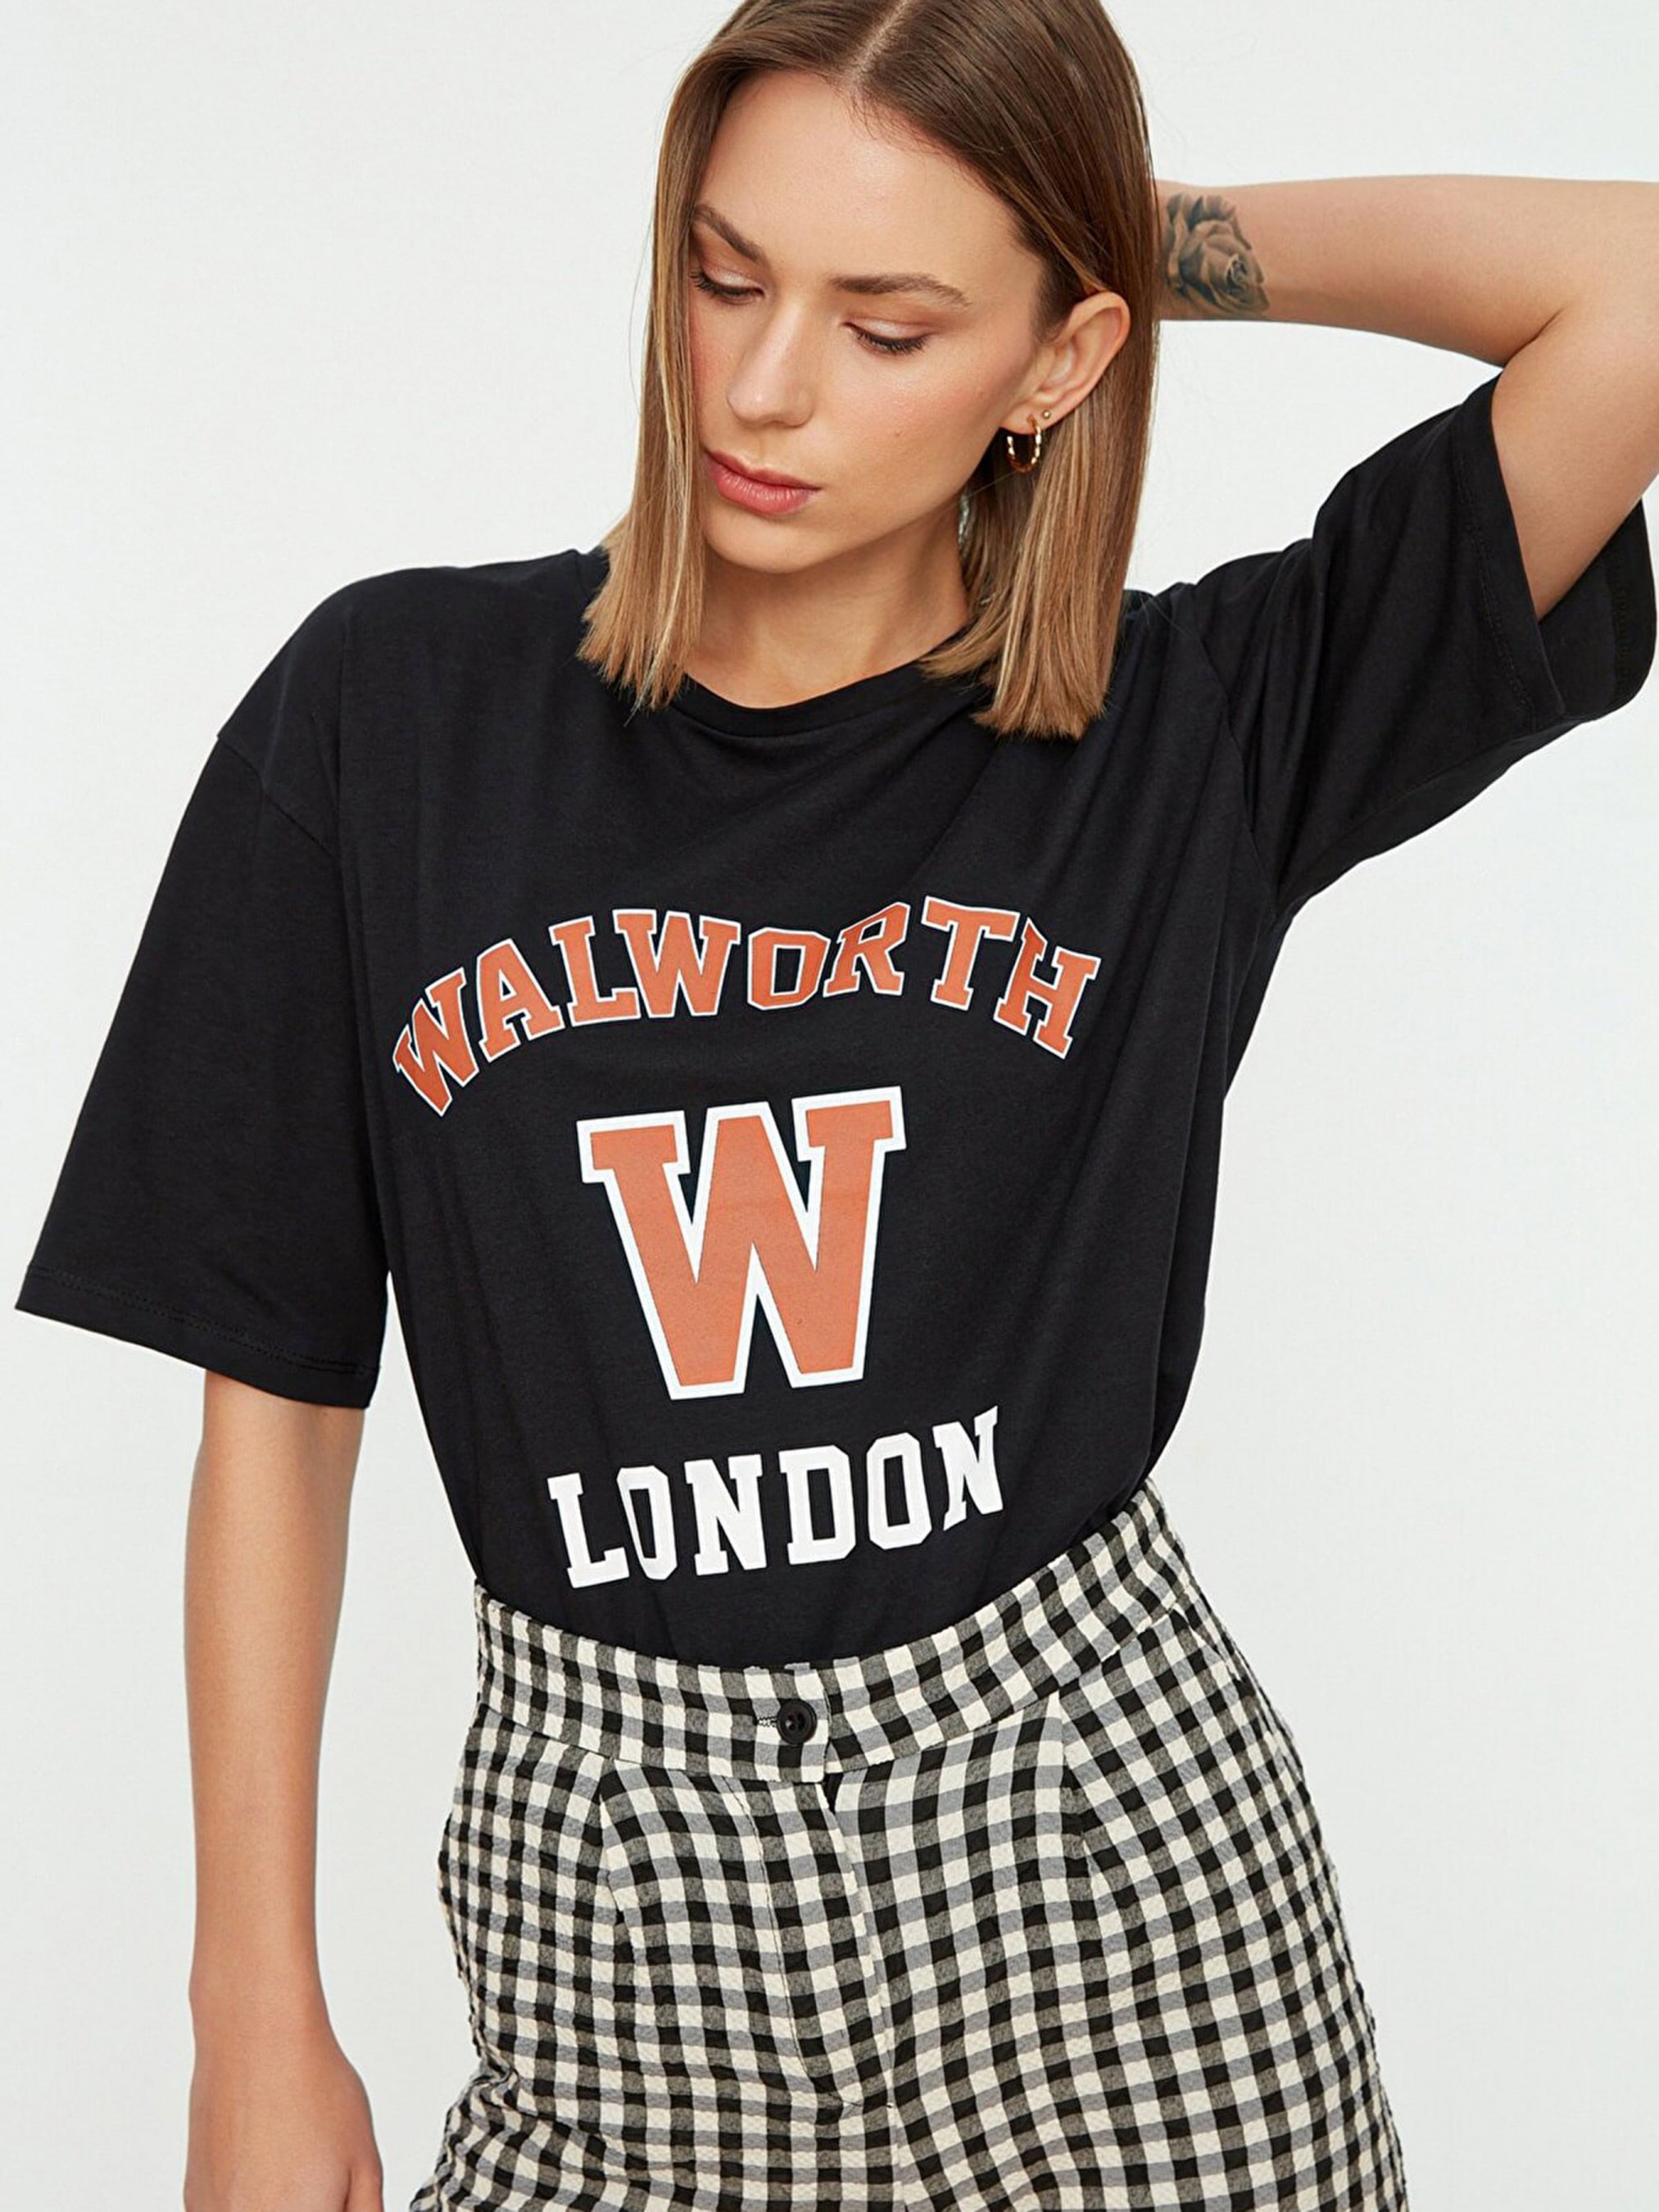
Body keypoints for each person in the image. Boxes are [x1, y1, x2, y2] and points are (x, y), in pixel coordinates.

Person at [15, 1, 1657, 2205]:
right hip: (609, 1914)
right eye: (725, 276)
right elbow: (280, 1399)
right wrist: (253, 2015)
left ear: (1056, 362)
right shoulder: (390, 718)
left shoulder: (1194, 729)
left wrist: (1122, 242)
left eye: (888, 324)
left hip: (1111, 1887)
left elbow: (1636, 281)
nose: (762, 386)